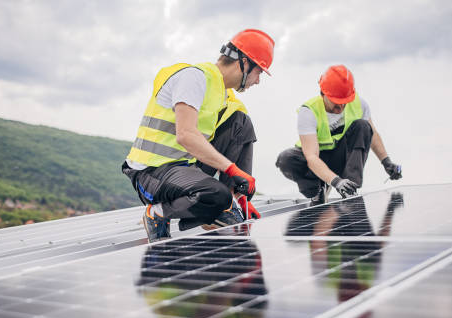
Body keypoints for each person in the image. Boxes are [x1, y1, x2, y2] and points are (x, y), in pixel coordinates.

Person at [122, 29, 274, 242]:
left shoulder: (221, 93)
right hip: (152, 173)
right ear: (244, 62)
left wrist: (240, 198)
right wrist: (232, 169)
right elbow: (185, 135)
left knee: (241, 122)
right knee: (216, 196)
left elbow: (239, 134)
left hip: (183, 168)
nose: (258, 81)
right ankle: (157, 214)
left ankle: (228, 202)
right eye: (259, 71)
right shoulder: (194, 78)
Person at [276, 65, 402, 205]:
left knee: (363, 126)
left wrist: (386, 162)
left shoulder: (359, 104)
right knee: (286, 159)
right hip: (316, 162)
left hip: (341, 159)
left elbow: (373, 135)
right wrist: (336, 181)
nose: (340, 108)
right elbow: (311, 156)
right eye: (336, 102)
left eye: (344, 103)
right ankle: (317, 190)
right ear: (323, 93)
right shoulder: (309, 111)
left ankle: (349, 189)